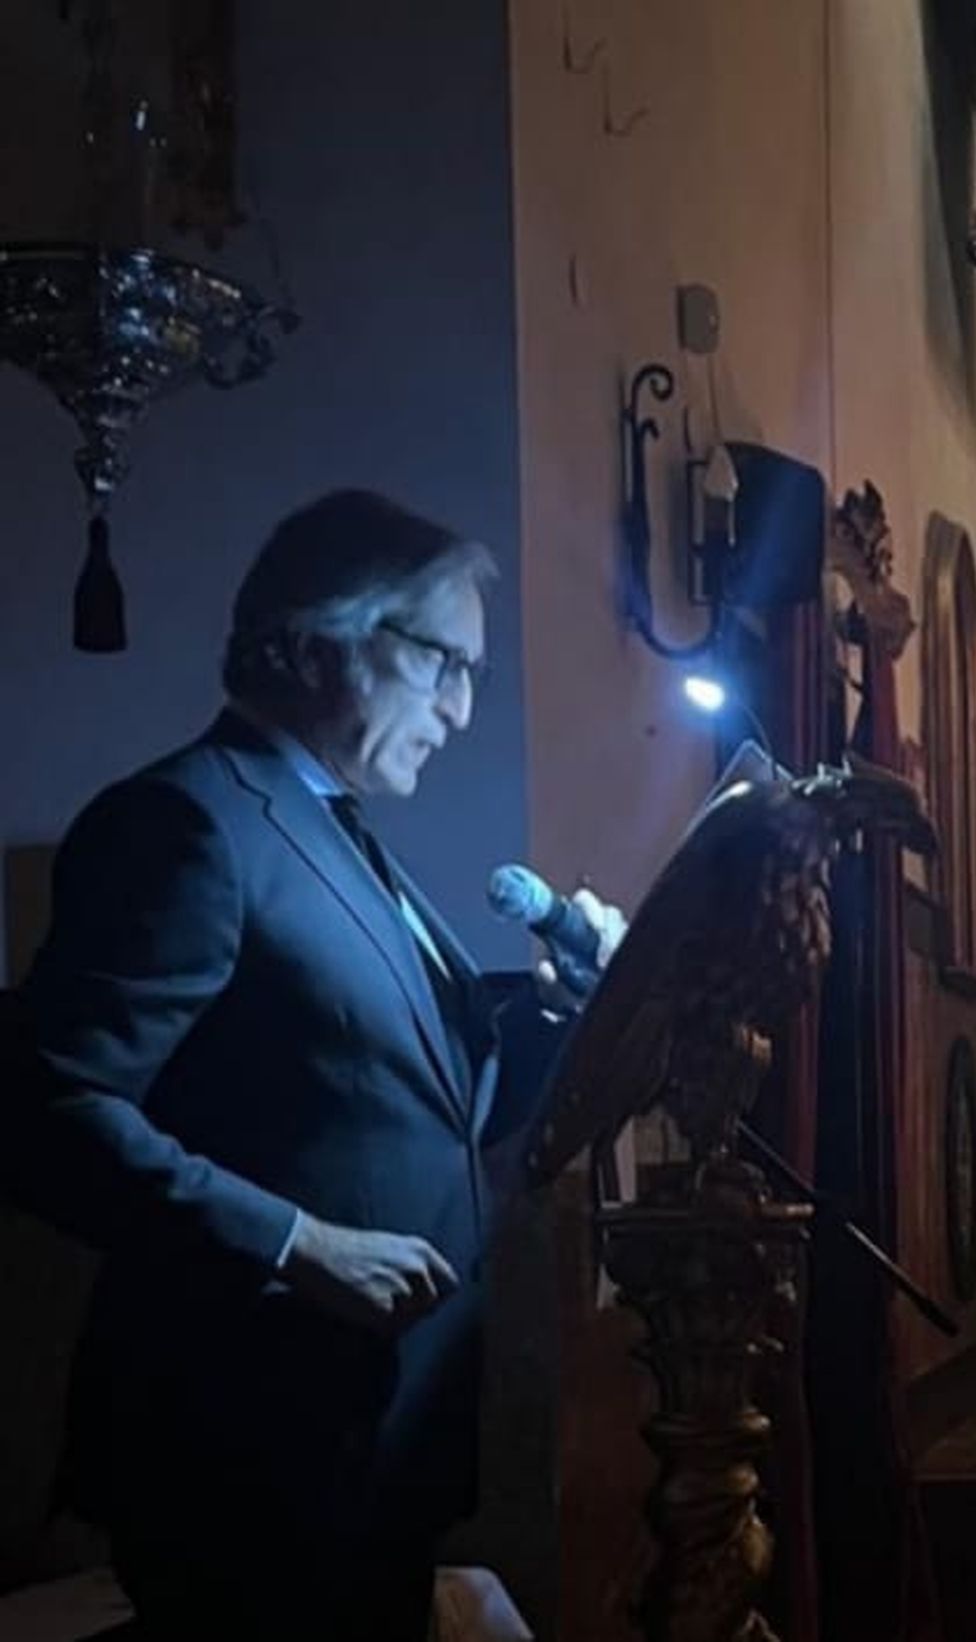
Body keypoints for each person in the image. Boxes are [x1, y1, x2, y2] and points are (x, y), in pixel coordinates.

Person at [2, 490, 623, 1641]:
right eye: (442, 661)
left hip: (373, 1443)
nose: (463, 707)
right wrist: (296, 1242)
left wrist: (575, 1012)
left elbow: (428, 1105)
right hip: (242, 1451)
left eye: (473, 673)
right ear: (314, 635)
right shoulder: (189, 823)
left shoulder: (337, 832)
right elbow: (43, 1109)